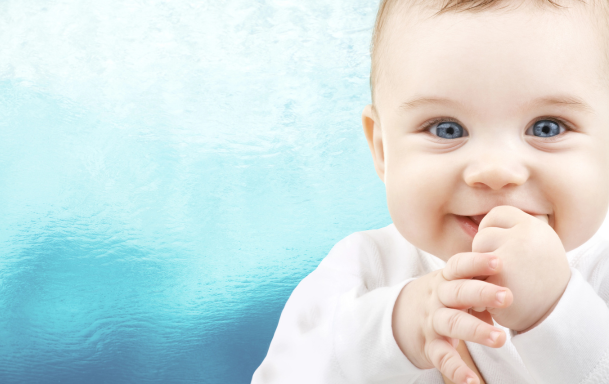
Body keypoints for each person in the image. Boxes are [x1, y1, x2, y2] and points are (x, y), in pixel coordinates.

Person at [252, 0, 609, 382]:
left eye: (547, 128)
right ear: (383, 150)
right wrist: (394, 332)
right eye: (447, 129)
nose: (494, 172)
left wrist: (557, 311)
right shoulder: (364, 270)